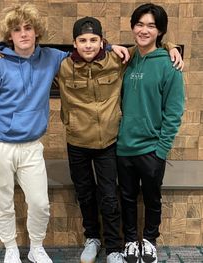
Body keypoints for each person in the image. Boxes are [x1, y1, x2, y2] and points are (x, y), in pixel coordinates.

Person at [54, 16, 184, 263]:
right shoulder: (61, 66)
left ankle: (114, 247)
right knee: (85, 193)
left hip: (108, 143)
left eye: (94, 40)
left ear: (103, 41)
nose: (89, 45)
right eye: (82, 40)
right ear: (74, 43)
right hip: (77, 142)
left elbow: (146, 48)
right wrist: (1, 54)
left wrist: (171, 47)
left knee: (109, 195)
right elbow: (31, 58)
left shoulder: (118, 59)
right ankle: (92, 237)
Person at [0, 3, 70, 263]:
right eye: (17, 29)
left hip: (32, 147)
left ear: (37, 31)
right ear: (9, 36)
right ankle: (11, 248)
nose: (23, 33)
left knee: (40, 203)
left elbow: (85, 51)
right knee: (2, 202)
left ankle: (36, 247)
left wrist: (111, 47)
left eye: (28, 28)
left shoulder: (51, 58)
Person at [116, 3, 185, 263]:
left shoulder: (170, 66)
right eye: (140, 24)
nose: (144, 30)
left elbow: (174, 111)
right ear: (133, 27)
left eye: (151, 26)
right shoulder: (125, 59)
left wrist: (161, 149)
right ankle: (130, 241)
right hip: (123, 146)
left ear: (160, 31)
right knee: (127, 198)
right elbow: (96, 50)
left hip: (152, 149)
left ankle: (149, 241)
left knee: (153, 199)